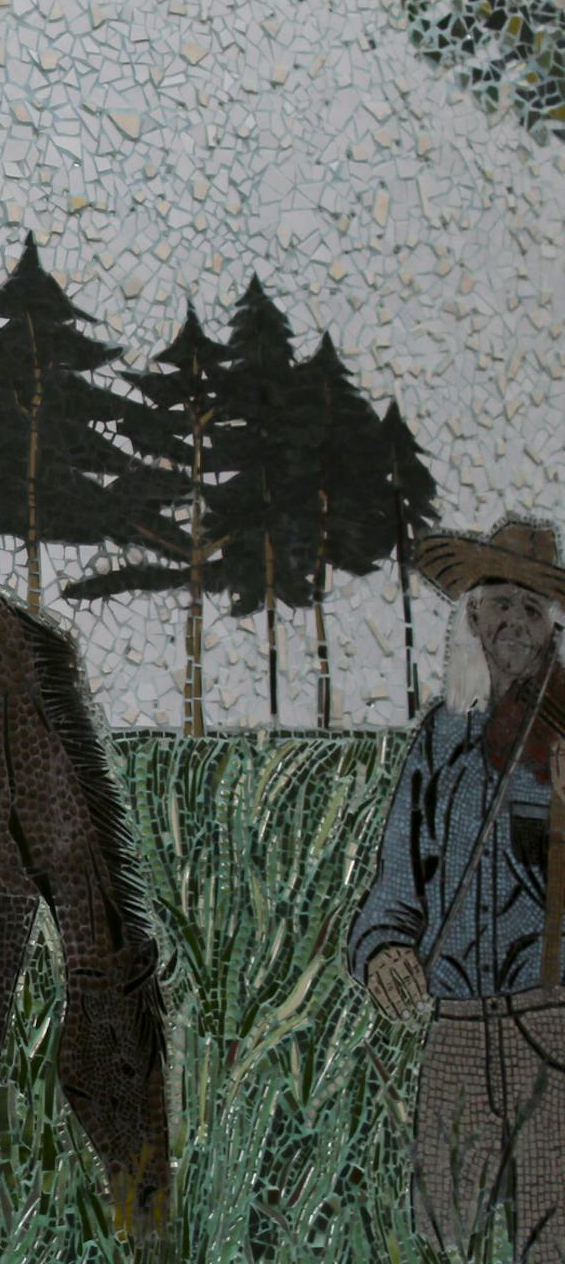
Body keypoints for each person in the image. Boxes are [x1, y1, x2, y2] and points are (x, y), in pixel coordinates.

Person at [350, 517, 565, 1263]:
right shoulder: (441, 738)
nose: (515, 620)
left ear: (553, 629)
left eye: (534, 608)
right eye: (500, 601)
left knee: (553, 1238)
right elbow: (395, 889)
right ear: (472, 614)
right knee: (441, 1238)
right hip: (456, 1034)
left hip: (555, 1028)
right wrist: (381, 951)